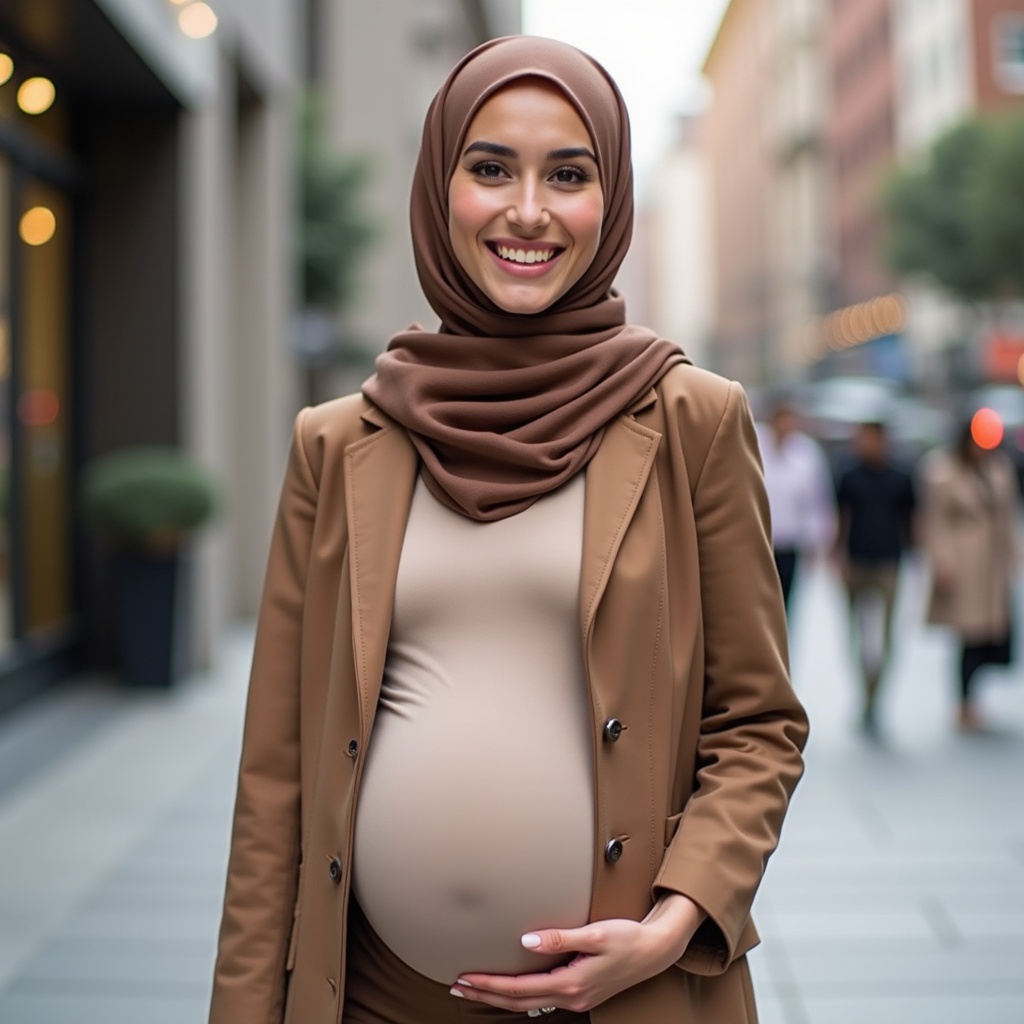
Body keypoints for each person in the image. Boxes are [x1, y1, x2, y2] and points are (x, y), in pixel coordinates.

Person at [208, 36, 807, 1024]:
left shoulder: (692, 419)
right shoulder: (338, 442)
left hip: (626, 997)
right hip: (372, 998)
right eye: (490, 168)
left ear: (608, 200)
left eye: (567, 175)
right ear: (439, 189)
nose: (527, 211)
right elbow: (275, 778)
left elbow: (757, 723)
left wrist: (669, 926)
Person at [921, 418, 1019, 732]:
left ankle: (972, 696)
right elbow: (935, 521)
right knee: (969, 634)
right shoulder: (944, 471)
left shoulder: (1000, 469)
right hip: (965, 562)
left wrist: (1014, 557)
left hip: (992, 563)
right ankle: (965, 701)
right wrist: (942, 561)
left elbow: (1008, 516)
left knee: (994, 632)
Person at [834, 420, 917, 736]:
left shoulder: (901, 476)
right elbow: (842, 517)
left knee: (885, 637)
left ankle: (875, 696)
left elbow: (911, 520)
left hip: (889, 563)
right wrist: (836, 555)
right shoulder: (850, 475)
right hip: (856, 562)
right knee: (855, 634)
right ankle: (863, 690)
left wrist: (917, 558)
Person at [756, 398, 836, 610]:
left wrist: (816, 539)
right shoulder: (755, 444)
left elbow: (816, 501)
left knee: (784, 601)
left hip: (788, 543)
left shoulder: (806, 455)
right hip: (757, 540)